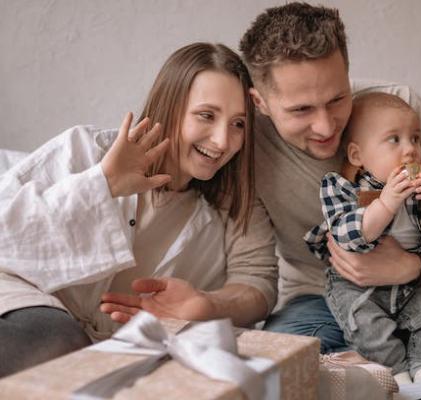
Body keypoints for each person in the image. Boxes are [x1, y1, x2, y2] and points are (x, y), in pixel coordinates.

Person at [104, 2, 421, 369]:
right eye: (301, 111)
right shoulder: (243, 144)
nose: (327, 126)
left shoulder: (401, 111)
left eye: (337, 98)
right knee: (261, 371)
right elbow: (255, 273)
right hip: (313, 301)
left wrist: (414, 266)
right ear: (260, 102)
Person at [0, 42, 277, 378]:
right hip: (23, 302)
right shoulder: (87, 149)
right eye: (206, 115)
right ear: (170, 107)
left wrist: (208, 305)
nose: (222, 141)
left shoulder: (234, 201)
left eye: (238, 124)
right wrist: (103, 182)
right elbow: (6, 229)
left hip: (119, 346)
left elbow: (257, 283)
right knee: (54, 342)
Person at [303, 92, 421, 383]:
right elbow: (347, 235)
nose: (410, 150)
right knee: (364, 324)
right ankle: (394, 370)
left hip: (414, 282)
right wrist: (386, 203)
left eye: (415, 139)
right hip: (355, 286)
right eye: (394, 140)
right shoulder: (340, 187)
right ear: (358, 155)